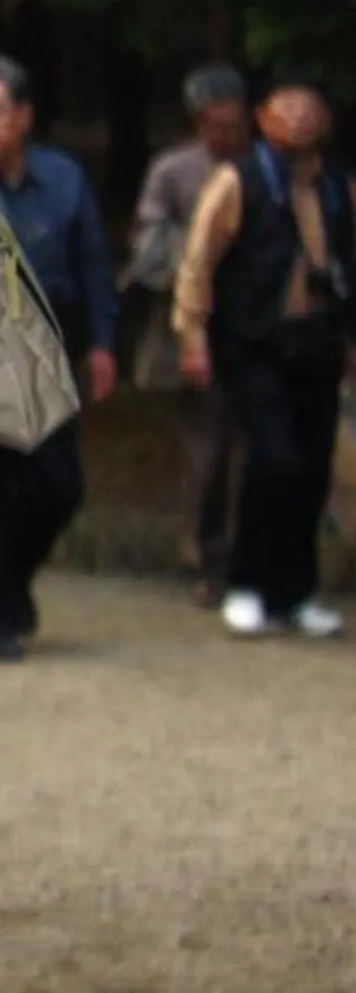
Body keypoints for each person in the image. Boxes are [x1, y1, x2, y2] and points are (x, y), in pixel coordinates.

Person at [0, 56, 118, 661]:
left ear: (23, 116)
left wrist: (102, 343)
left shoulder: (64, 180)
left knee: (57, 487)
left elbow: (93, 266)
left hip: (46, 356)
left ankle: (11, 587)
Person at [172, 79, 350, 639]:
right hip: (254, 344)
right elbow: (199, 260)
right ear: (265, 121)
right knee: (272, 460)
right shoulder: (239, 180)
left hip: (318, 341)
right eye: (287, 112)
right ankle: (247, 582)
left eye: (309, 112)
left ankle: (295, 593)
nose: (298, 122)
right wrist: (192, 333)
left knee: (313, 469)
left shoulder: (339, 185)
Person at [124, 64, 251, 600]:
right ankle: (210, 558)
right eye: (212, 122)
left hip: (256, 322)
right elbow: (147, 247)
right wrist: (195, 256)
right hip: (193, 319)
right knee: (210, 451)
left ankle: (251, 557)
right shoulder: (173, 171)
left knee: (259, 449)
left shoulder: (261, 168)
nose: (223, 132)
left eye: (232, 121)